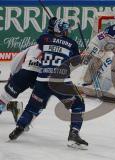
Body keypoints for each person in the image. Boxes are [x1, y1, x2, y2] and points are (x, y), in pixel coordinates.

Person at [9, 18, 88, 149]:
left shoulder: (43, 38)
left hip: (42, 81)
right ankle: (73, 134)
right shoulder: (72, 43)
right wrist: (83, 58)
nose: (68, 31)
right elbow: (75, 62)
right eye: (66, 29)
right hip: (61, 82)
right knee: (78, 104)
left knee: (32, 108)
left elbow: (45, 46)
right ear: (62, 30)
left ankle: (19, 128)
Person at [0, 17, 58, 122]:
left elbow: (15, 63)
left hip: (40, 78)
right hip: (39, 78)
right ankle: (15, 108)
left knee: (38, 101)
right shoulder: (36, 49)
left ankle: (26, 119)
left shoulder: (35, 48)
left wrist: (14, 75)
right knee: (39, 101)